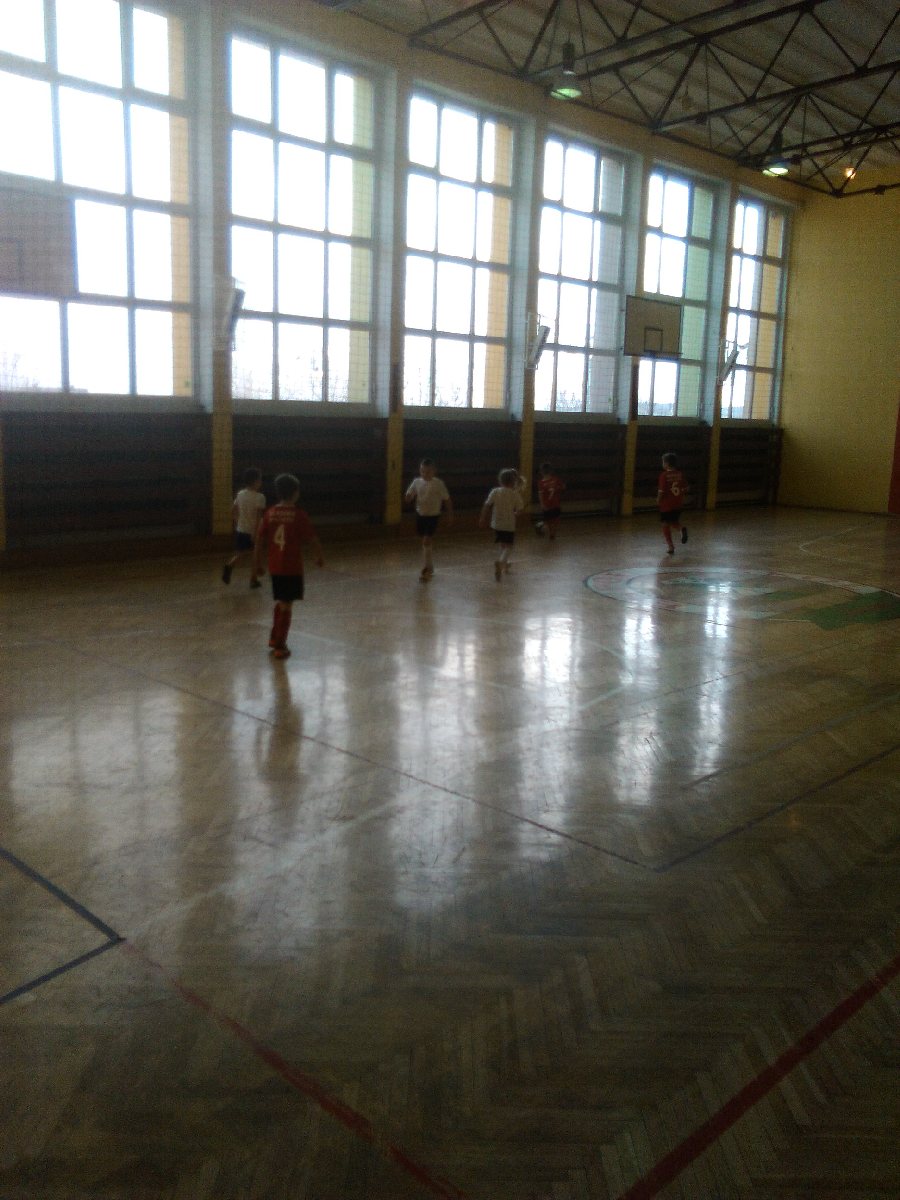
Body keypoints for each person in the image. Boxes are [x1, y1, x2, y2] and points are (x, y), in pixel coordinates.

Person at [253, 473, 324, 660]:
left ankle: (273, 637)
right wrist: (319, 556)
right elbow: (312, 539)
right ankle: (280, 645)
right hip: (292, 567)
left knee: (281, 601)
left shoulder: (270, 513)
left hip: (275, 567)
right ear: (295, 493)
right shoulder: (299, 515)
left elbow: (259, 540)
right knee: (287, 604)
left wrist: (257, 564)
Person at [404, 458, 453, 581]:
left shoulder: (438, 484)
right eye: (423, 471)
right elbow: (409, 496)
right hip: (420, 515)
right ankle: (429, 565)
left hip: (433, 516)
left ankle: (427, 567)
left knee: (426, 539)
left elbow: (447, 499)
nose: (425, 474)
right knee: (424, 540)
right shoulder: (416, 482)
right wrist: (408, 497)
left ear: (434, 471)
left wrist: (450, 514)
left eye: (428, 472)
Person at [480, 468, 526, 581]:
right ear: (513, 481)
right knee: (509, 546)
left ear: (500, 480)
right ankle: (501, 562)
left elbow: (487, 505)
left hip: (496, 524)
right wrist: (516, 513)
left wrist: (482, 518)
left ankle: (505, 563)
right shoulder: (515, 494)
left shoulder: (495, 491)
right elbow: (520, 510)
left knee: (503, 544)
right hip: (508, 524)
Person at [222, 467, 265, 587]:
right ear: (255, 481)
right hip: (253, 530)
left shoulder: (240, 494)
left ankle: (229, 565)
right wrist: (255, 533)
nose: (261, 482)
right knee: (255, 553)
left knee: (241, 553)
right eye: (260, 480)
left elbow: (232, 511)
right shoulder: (260, 497)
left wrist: (238, 522)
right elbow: (258, 517)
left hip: (241, 529)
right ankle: (253, 579)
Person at [657, 451, 690, 554]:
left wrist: (658, 499)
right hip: (678, 504)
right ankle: (681, 529)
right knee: (673, 521)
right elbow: (687, 488)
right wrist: (681, 492)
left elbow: (661, 491)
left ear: (666, 463)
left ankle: (670, 546)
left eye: (663, 462)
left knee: (665, 524)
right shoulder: (680, 474)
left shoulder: (664, 475)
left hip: (666, 505)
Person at [534, 462, 565, 540]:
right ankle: (549, 531)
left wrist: (558, 488)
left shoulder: (555, 480)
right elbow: (540, 494)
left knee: (554, 520)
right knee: (550, 521)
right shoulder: (541, 482)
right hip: (549, 505)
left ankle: (552, 533)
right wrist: (542, 504)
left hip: (554, 504)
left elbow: (563, 487)